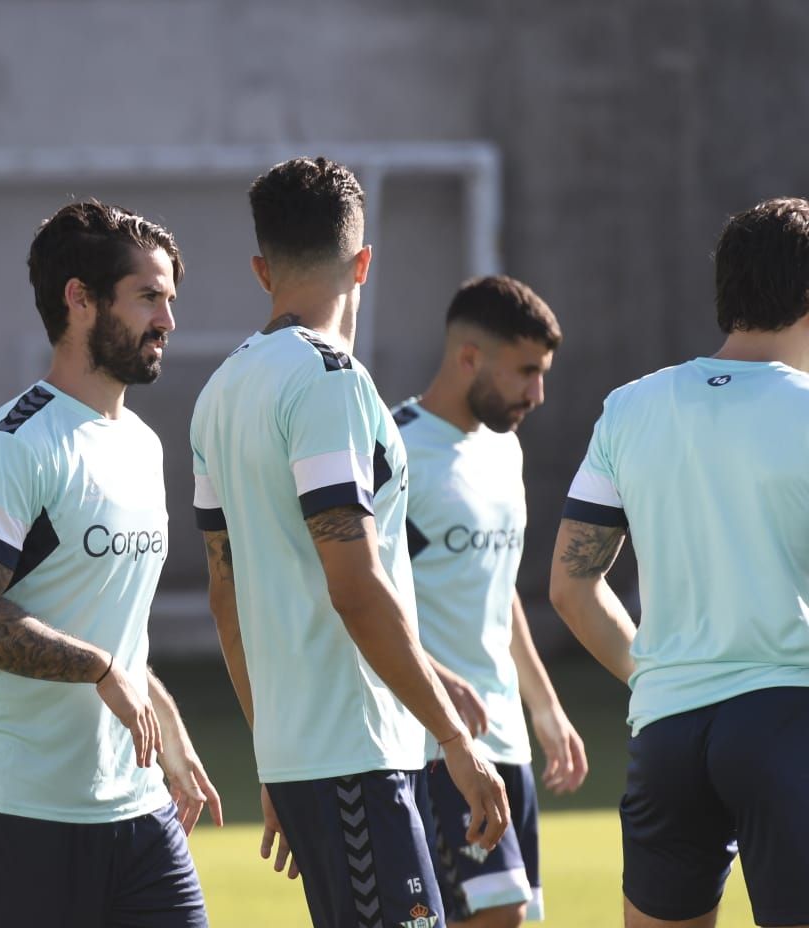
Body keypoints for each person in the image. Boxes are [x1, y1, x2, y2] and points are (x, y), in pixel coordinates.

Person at [189, 156, 509, 928]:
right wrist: (458, 746)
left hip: (311, 756)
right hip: (358, 754)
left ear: (263, 269)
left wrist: (276, 752)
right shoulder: (331, 381)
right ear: (364, 261)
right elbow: (356, 583)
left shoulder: (219, 392)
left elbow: (225, 593)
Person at [0, 200, 222, 928]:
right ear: (80, 300)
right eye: (149, 297)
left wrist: (164, 721)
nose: (168, 321)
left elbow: (106, 623)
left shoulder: (145, 445)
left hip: (137, 809)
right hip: (12, 816)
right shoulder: (13, 443)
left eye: (170, 300)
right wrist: (98, 668)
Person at [550, 197, 809, 928]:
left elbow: (571, 586)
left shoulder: (631, 407)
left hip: (667, 732)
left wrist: (663, 676)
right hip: (790, 721)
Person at [393, 276, 587, 927]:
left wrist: (546, 707)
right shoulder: (394, 449)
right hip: (433, 744)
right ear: (468, 357)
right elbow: (359, 598)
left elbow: (497, 591)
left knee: (514, 917)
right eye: (526, 372)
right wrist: (441, 686)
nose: (538, 393)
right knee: (495, 915)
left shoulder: (504, 447)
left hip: (507, 742)